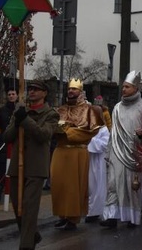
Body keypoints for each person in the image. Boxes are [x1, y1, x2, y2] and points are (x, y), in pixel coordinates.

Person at [3, 80, 58, 250]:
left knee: (29, 208)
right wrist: (18, 120)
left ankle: (26, 246)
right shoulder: (20, 111)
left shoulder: (51, 114)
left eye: (36, 89)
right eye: (30, 89)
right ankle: (33, 234)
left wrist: (25, 120)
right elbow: (7, 137)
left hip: (36, 166)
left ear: (44, 93)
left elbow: (43, 135)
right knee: (17, 206)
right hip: (16, 166)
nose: (32, 92)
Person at [101, 70, 142, 229]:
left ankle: (132, 216)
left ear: (136, 88)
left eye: (127, 87)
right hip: (117, 151)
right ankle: (111, 216)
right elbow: (113, 132)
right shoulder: (116, 107)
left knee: (131, 186)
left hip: (134, 153)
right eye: (123, 87)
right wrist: (109, 152)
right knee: (113, 184)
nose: (124, 90)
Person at [51, 79, 102, 231]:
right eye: (69, 89)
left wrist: (68, 131)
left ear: (80, 92)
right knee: (58, 184)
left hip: (77, 151)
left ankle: (73, 218)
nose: (70, 92)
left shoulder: (90, 110)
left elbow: (92, 130)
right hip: (60, 150)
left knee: (74, 186)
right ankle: (62, 214)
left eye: (74, 89)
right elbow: (53, 127)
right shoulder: (60, 109)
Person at [0, 87, 18, 202]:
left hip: (16, 143)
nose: (11, 96)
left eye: (13, 94)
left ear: (17, 95)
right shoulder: (2, 110)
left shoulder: (20, 109)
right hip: (3, 143)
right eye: (9, 94)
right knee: (1, 166)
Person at [85, 107, 109, 224]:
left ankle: (94, 211)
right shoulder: (85, 127)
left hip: (97, 161)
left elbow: (105, 144)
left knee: (96, 185)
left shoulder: (103, 129)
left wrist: (89, 141)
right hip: (86, 159)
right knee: (88, 186)